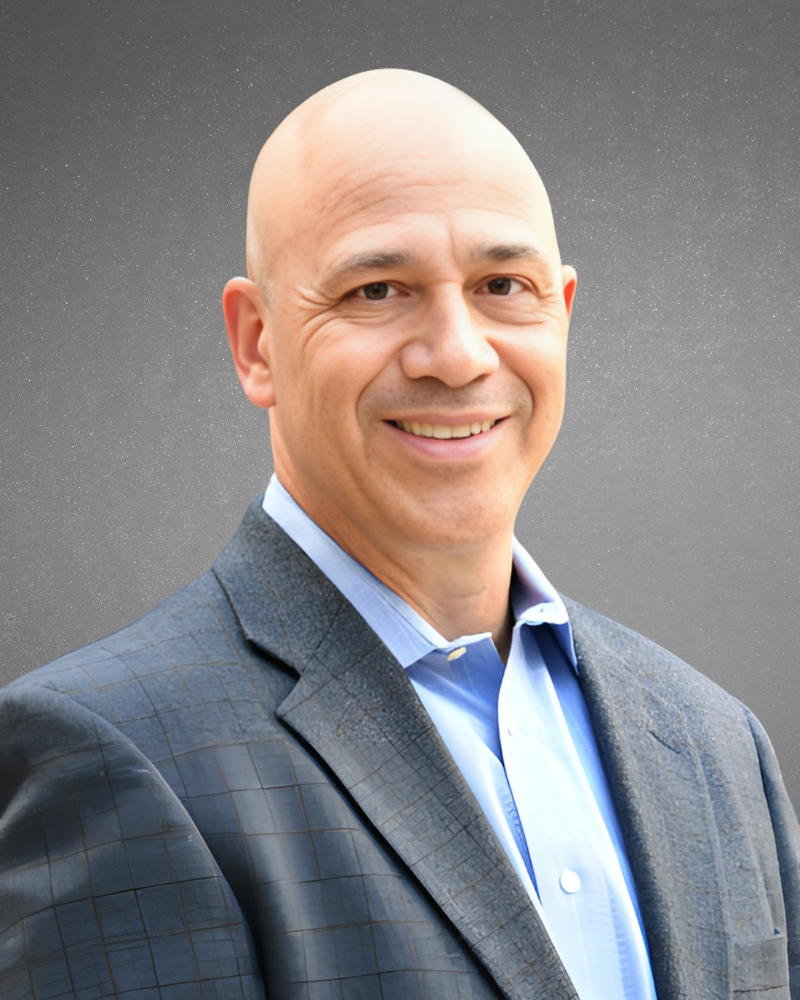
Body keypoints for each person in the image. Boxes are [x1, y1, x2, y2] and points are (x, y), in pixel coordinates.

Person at [1, 69, 797, 1000]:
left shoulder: (714, 744)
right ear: (257, 342)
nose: (458, 354)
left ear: (563, 314)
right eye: (378, 290)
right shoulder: (108, 756)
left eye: (504, 284)